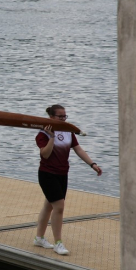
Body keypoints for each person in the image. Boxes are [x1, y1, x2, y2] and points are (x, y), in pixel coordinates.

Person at [33, 104, 102, 255]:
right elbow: (45, 154)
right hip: (47, 174)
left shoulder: (68, 131)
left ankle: (39, 238)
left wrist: (92, 164)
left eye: (65, 116)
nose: (64, 119)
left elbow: (78, 149)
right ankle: (58, 243)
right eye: (60, 116)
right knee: (59, 207)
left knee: (49, 206)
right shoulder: (42, 134)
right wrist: (51, 137)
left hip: (62, 174)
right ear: (51, 118)